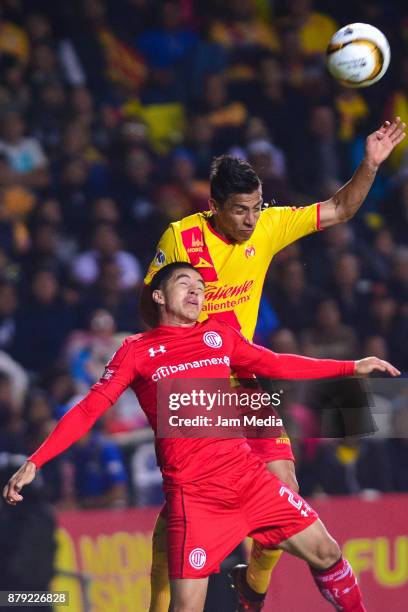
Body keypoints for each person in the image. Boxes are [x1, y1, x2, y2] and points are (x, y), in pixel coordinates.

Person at [3, 263, 400, 612]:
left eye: (200, 286)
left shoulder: (218, 335)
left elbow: (277, 364)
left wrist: (352, 366)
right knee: (187, 607)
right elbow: (90, 408)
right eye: (184, 283)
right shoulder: (137, 351)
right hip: (195, 498)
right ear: (158, 295)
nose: (197, 290)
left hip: (249, 480)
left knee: (327, 552)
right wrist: (36, 461)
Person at [142, 118, 406, 611]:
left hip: (244, 376)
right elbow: (150, 304)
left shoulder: (268, 225)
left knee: (286, 488)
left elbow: (343, 207)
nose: (249, 219)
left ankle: (252, 588)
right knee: (180, 518)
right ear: (213, 207)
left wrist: (368, 165)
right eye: (239, 210)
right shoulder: (181, 240)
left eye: (256, 207)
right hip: (194, 386)